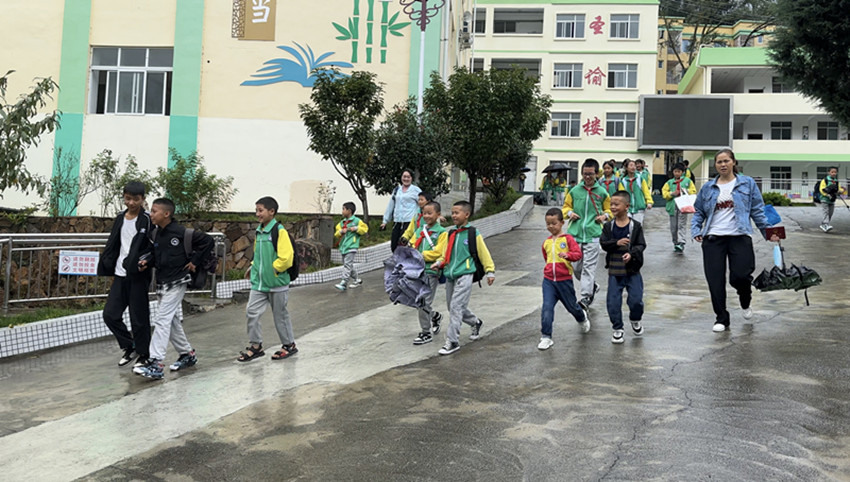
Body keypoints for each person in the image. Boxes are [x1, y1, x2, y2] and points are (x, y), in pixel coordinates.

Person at [692, 148, 779, 333]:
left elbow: (757, 209)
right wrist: (696, 229)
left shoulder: (747, 183)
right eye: (719, 162)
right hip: (713, 238)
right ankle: (721, 318)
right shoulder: (708, 187)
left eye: (726, 161)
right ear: (715, 165)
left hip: (739, 236)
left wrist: (769, 232)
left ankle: (745, 300)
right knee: (715, 281)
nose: (723, 165)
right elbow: (699, 211)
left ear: (733, 162)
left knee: (740, 276)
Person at [134, 198, 214, 380]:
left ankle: (155, 363)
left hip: (178, 281)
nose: (151, 214)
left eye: (154, 211)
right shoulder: (156, 233)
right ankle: (187, 354)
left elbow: (208, 241)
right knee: (171, 321)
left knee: (162, 319)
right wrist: (147, 262)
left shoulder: (182, 232)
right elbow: (157, 255)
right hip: (162, 282)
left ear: (166, 214)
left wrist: (195, 262)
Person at [97, 181, 153, 368]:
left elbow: (153, 246)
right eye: (128, 199)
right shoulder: (120, 217)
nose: (131, 203)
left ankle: (144, 354)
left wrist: (146, 261)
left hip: (138, 274)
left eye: (136, 199)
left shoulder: (147, 219)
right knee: (110, 315)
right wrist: (107, 262)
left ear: (143, 199)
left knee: (139, 317)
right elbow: (114, 243)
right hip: (120, 274)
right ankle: (130, 346)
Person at [236, 196, 299, 362]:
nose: (257, 214)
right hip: (259, 284)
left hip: (277, 283)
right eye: (256, 210)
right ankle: (256, 346)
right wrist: (253, 268)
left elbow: (287, 258)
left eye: (260, 210)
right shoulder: (259, 231)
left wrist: (273, 270)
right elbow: (258, 255)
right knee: (251, 312)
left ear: (272, 211)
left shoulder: (279, 231)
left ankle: (289, 345)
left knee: (280, 316)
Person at [430, 201, 495, 356]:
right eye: (452, 213)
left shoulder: (473, 233)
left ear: (466, 214)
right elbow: (446, 254)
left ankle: (452, 341)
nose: (453, 215)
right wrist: (439, 263)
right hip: (450, 275)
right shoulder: (451, 233)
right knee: (453, 306)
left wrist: (490, 271)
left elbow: (483, 253)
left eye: (457, 212)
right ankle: (475, 322)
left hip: (465, 274)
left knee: (456, 307)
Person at [562, 158, 612, 311]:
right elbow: (565, 208)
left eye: (590, 174)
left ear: (597, 174)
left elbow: (610, 210)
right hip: (575, 235)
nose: (587, 177)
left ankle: (585, 297)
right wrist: (570, 213)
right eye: (585, 174)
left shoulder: (602, 192)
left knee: (588, 268)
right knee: (576, 268)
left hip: (593, 235)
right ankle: (592, 286)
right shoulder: (574, 191)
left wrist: (604, 217)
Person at [537, 208, 588, 351]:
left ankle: (581, 317)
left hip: (564, 281)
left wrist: (568, 256)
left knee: (572, 307)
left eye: (554, 223)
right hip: (549, 281)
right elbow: (547, 258)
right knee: (547, 308)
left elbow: (577, 254)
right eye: (548, 224)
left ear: (562, 223)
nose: (551, 226)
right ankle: (546, 337)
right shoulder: (546, 242)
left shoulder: (568, 239)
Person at [600, 191, 646, 344]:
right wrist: (616, 243)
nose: (613, 207)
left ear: (626, 206)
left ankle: (635, 319)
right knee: (613, 301)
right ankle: (617, 328)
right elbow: (603, 243)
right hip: (615, 269)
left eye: (616, 204)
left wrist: (631, 254)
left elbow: (641, 244)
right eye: (611, 204)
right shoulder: (608, 226)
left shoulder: (635, 226)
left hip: (632, 269)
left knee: (636, 300)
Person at [400, 200, 446, 345]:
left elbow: (439, 252)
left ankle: (426, 332)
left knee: (423, 301)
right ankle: (435, 316)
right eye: (424, 213)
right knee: (419, 302)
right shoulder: (420, 230)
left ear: (438, 214)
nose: (426, 216)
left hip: (431, 271)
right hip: (417, 272)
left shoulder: (442, 233)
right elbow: (412, 245)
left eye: (429, 213)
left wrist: (420, 255)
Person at [381, 170, 422, 252]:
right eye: (404, 176)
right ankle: (397, 259)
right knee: (394, 246)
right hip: (397, 221)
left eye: (408, 177)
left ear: (411, 178)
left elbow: (424, 203)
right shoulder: (397, 190)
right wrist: (385, 221)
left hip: (409, 222)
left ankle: (406, 260)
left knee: (405, 246)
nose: (406, 179)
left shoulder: (416, 190)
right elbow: (391, 205)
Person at [662, 163, 697, 253]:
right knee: (673, 227)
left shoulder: (687, 181)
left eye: (679, 171)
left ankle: (681, 242)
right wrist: (672, 193)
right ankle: (675, 242)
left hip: (683, 206)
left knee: (682, 224)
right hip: (672, 206)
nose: (677, 173)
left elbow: (693, 191)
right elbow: (664, 193)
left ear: (682, 172)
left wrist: (685, 191)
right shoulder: (669, 182)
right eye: (675, 171)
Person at [334, 201, 369, 291]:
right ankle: (357, 279)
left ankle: (344, 282)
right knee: (348, 265)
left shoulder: (357, 221)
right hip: (343, 247)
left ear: (349, 211)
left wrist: (356, 228)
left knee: (347, 265)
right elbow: (336, 233)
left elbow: (365, 229)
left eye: (343, 209)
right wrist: (341, 231)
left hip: (352, 246)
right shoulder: (342, 223)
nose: (342, 211)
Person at [618, 159, 653, 223]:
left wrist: (649, 201)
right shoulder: (623, 181)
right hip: (627, 208)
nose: (633, 167)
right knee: (628, 226)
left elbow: (646, 191)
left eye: (634, 165)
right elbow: (621, 195)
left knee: (637, 226)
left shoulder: (640, 178)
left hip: (639, 207)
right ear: (626, 168)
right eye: (631, 165)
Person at [816, 166, 846, 232]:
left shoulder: (836, 181)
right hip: (824, 199)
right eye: (832, 172)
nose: (834, 173)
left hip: (832, 200)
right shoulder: (825, 180)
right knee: (826, 212)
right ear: (829, 172)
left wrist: (842, 191)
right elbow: (821, 189)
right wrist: (827, 195)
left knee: (830, 213)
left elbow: (838, 189)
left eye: (835, 172)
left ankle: (825, 224)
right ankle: (825, 224)